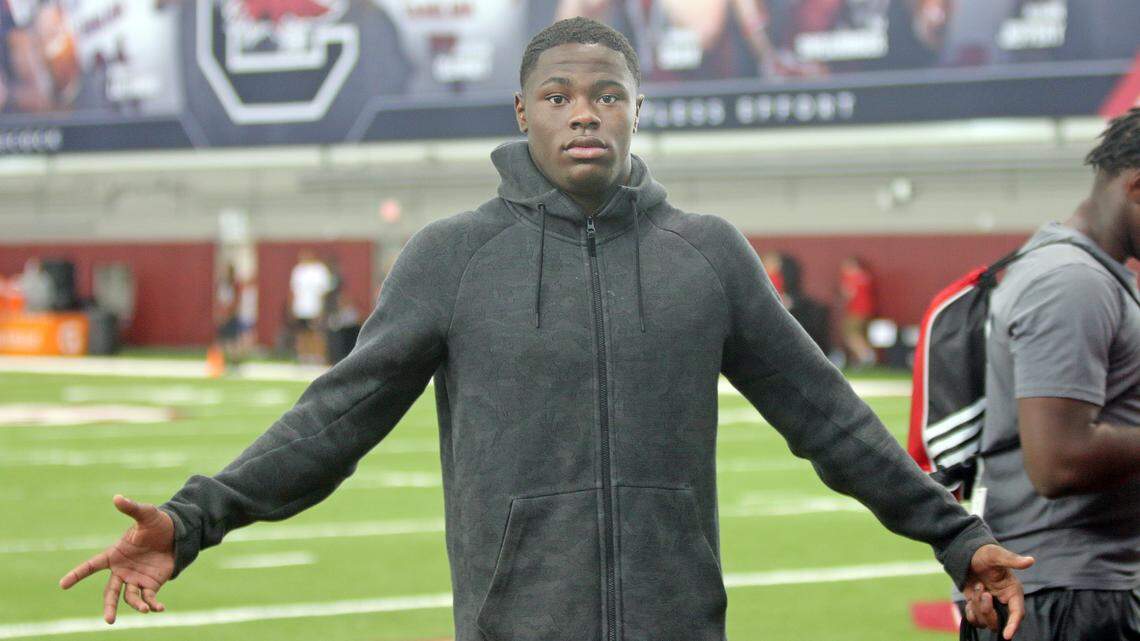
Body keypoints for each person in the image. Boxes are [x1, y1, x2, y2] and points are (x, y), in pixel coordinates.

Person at [59, 17, 1033, 641]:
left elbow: (831, 419)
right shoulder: (450, 257)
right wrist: (193, 519)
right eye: (561, 96)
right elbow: (335, 418)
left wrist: (958, 536)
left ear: (638, 111)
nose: (585, 115)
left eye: (608, 95)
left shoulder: (709, 253)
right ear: (521, 110)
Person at [975, 108, 1140, 640]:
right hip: (1063, 598)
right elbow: (1058, 461)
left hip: (1075, 589)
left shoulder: (1093, 276)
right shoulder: (1072, 281)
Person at [288, 250, 333, 364]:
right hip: (301, 308)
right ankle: (304, 357)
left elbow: (324, 292)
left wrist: (322, 308)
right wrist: (292, 307)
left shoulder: (319, 270)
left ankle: (318, 357)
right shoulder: (298, 270)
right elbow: (293, 291)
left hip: (315, 307)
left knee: (317, 333)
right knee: (302, 333)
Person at [839, 256, 876, 368]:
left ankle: (866, 355)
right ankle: (863, 357)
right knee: (861, 334)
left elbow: (848, 293)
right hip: (868, 310)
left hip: (856, 310)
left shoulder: (850, 277)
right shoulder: (866, 276)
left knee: (851, 334)